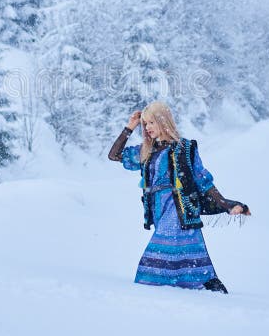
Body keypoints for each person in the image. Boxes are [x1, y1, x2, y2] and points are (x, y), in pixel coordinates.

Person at [108, 100, 251, 293]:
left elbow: (203, 181)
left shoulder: (184, 149)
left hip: (179, 210)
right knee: (181, 255)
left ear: (163, 120)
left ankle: (152, 292)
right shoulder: (146, 151)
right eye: (145, 124)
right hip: (159, 210)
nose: (148, 127)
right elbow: (114, 155)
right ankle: (191, 288)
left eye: (151, 122)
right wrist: (130, 127)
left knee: (153, 263)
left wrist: (226, 205)